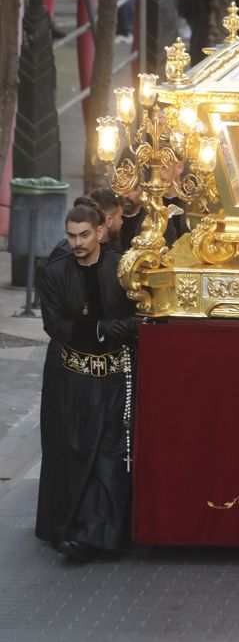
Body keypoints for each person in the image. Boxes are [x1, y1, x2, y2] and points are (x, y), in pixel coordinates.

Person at [36, 205, 139, 561]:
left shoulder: (123, 268)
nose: (77, 243)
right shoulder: (53, 273)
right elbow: (55, 324)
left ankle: (97, 534)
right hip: (75, 379)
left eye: (84, 235)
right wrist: (97, 330)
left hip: (115, 378)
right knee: (76, 452)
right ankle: (77, 529)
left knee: (110, 456)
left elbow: (139, 316)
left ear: (100, 231)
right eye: (71, 235)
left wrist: (117, 330)